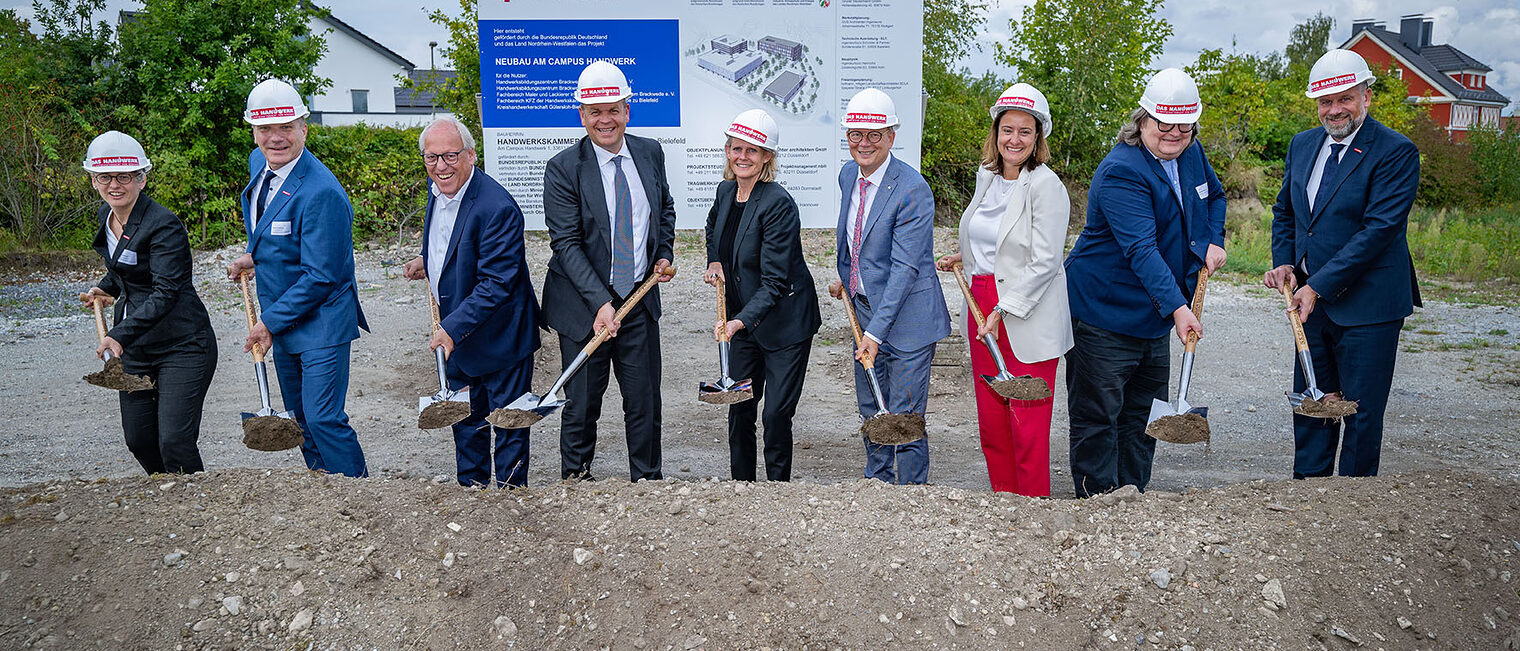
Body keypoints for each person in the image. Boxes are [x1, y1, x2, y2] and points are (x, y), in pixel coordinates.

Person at [1063, 68, 1226, 498]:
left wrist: (1213, 240)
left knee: (1142, 415)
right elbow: (1141, 249)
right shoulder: (1121, 170)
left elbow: (1216, 196)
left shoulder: (1191, 152)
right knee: (1099, 415)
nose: (1173, 134)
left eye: (1183, 125)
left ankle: (1133, 495)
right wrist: (1178, 308)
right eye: (1164, 124)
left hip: (1153, 313)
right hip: (1105, 312)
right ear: (1142, 120)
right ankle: (1097, 501)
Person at [1264, 49, 1420, 479]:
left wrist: (1317, 286)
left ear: (1366, 97)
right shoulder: (1303, 144)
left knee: (1360, 413)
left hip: (1369, 306)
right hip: (1311, 299)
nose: (1334, 110)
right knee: (1314, 404)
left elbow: (1378, 230)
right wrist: (1287, 266)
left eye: (1344, 99)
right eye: (1325, 102)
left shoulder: (1395, 151)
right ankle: (1310, 496)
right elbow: (1286, 213)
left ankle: (1354, 505)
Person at [224, 79, 369, 478]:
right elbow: (275, 229)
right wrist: (255, 255)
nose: (276, 138)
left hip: (322, 321)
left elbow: (323, 275)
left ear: (304, 127)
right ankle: (323, 486)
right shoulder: (261, 165)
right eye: (265, 129)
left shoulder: (322, 192)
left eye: (286, 127)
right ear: (254, 132)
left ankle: (360, 493)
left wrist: (267, 323)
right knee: (300, 419)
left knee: (323, 418)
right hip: (284, 315)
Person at [934, 84, 1072, 497]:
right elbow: (994, 235)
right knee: (993, 420)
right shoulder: (988, 178)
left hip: (1024, 310)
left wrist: (1004, 308)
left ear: (1038, 138)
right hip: (981, 300)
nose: (1014, 140)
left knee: (1026, 422)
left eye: (1025, 132)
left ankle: (1032, 509)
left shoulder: (1047, 186)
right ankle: (1003, 505)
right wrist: (968, 256)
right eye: (1007, 130)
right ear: (995, 133)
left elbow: (1045, 260)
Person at [542, 61, 676, 481]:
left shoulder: (650, 152)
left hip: (638, 298)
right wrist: (600, 301)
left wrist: (664, 253)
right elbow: (565, 244)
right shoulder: (563, 168)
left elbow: (665, 208)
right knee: (582, 402)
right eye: (595, 112)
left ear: (627, 110)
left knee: (644, 401)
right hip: (583, 307)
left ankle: (647, 482)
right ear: (581, 115)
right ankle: (576, 481)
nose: (605, 120)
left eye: (613, 109)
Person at [402, 116, 542, 488]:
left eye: (450, 156)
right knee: (466, 419)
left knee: (508, 421)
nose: (441, 166)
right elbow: (449, 244)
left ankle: (512, 497)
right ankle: (473, 493)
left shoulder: (497, 207)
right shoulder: (441, 192)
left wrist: (450, 327)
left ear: (471, 156)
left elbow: (497, 283)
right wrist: (426, 260)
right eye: (432, 158)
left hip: (502, 336)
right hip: (461, 332)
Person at [829, 88, 951, 485]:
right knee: (871, 406)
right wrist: (848, 279)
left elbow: (904, 269)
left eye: (874, 135)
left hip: (909, 320)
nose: (863, 143)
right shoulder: (849, 174)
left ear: (891, 137)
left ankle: (911, 493)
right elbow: (855, 239)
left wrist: (875, 333)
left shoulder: (913, 189)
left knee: (903, 413)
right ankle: (878, 484)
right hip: (865, 309)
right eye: (856, 135)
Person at [78, 131, 217, 475]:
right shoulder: (105, 216)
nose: (115, 185)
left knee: (174, 441)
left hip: (182, 344)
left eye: (124, 176)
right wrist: (106, 287)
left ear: (141, 178)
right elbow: (124, 267)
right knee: (139, 439)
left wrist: (119, 335)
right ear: (94, 180)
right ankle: (166, 496)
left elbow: (166, 290)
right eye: (105, 177)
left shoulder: (164, 224)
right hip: (138, 346)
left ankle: (192, 500)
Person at [703, 109, 821, 482]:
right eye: (736, 149)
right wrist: (715, 259)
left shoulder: (778, 204)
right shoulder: (726, 190)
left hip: (785, 324)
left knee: (774, 415)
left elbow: (773, 281)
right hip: (745, 321)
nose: (742, 157)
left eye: (752, 151)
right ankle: (743, 488)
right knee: (739, 407)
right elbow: (712, 227)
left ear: (767, 156)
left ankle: (777, 491)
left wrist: (738, 321)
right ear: (727, 150)